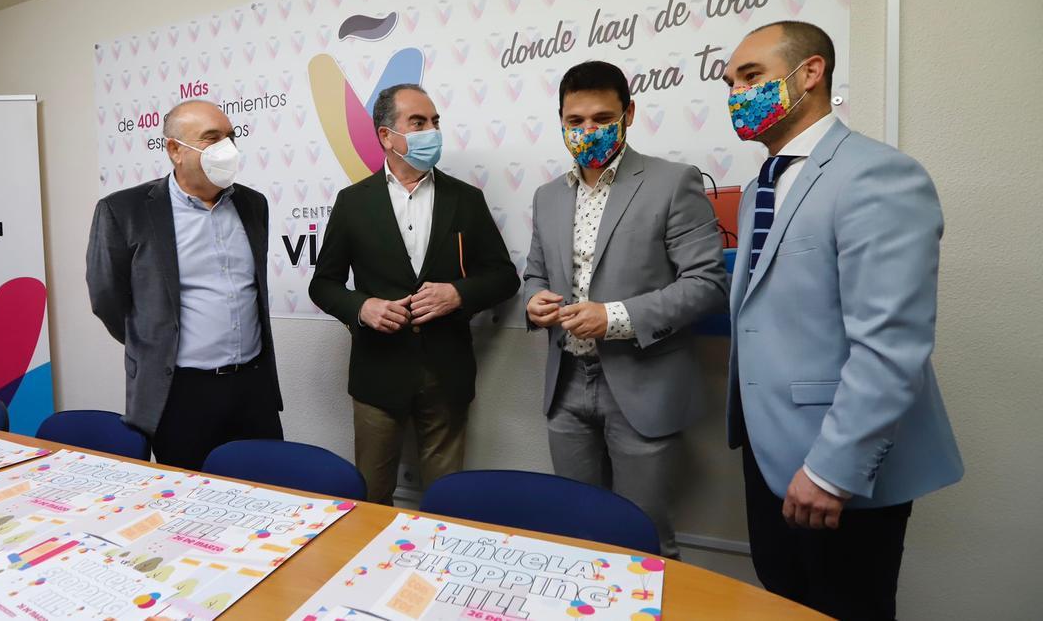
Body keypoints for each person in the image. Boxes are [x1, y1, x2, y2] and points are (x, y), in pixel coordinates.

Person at [723, 21, 963, 619]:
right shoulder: (761, 187)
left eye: (751, 76)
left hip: (837, 464)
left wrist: (832, 471)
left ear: (810, 73)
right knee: (784, 603)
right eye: (729, 82)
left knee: (848, 606)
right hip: (765, 449)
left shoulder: (877, 174)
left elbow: (891, 346)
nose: (735, 93)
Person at [522, 60, 728, 558]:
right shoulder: (547, 196)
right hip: (566, 383)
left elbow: (708, 284)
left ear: (629, 114)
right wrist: (534, 301)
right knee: (577, 533)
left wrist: (614, 317)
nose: (587, 131)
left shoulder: (672, 182)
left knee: (644, 539)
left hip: (642, 383)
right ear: (562, 122)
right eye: (575, 122)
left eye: (601, 118)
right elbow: (535, 273)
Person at [309, 84, 519, 505]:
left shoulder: (466, 199)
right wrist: (361, 307)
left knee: (447, 500)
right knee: (369, 496)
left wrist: (457, 294)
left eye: (435, 121)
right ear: (386, 136)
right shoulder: (353, 203)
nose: (432, 131)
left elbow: (503, 277)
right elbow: (323, 285)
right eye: (418, 123)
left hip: (447, 372)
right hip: (377, 372)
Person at [86, 100, 282, 471]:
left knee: (267, 492)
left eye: (231, 137)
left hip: (252, 387)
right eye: (212, 139)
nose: (228, 148)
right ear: (175, 149)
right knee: (189, 505)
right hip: (180, 391)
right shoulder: (124, 210)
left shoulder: (253, 205)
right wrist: (152, 344)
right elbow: (106, 298)